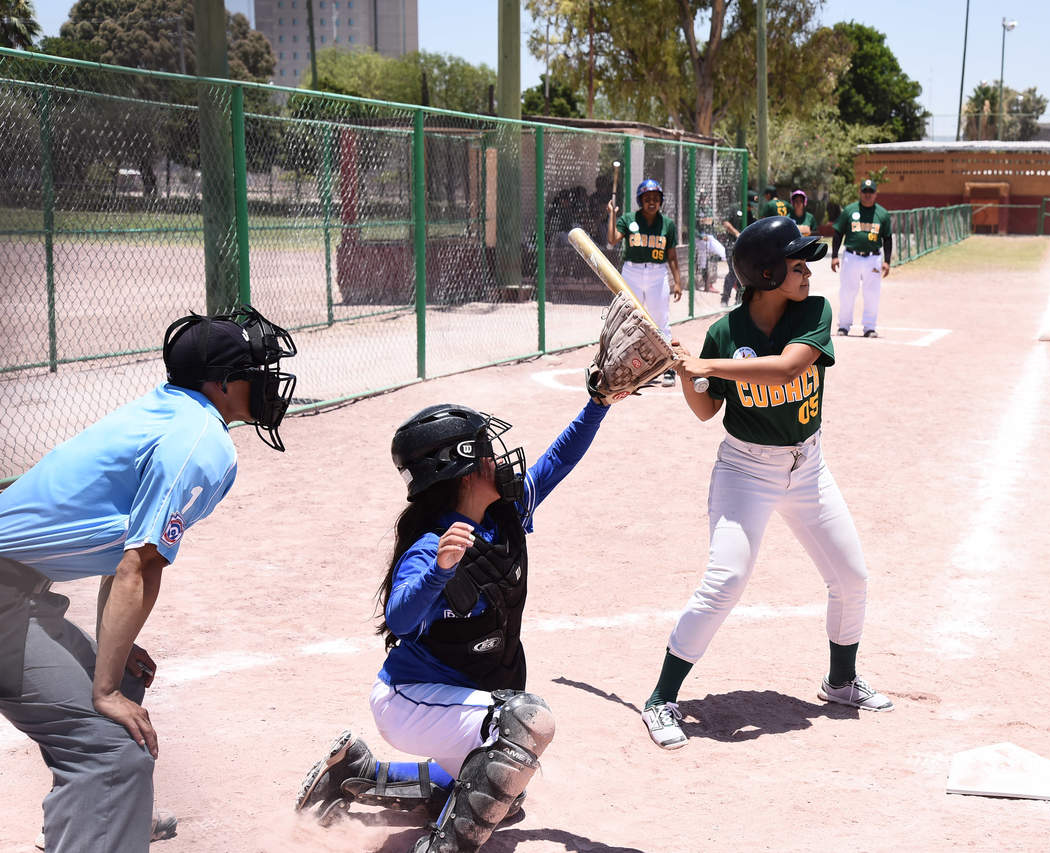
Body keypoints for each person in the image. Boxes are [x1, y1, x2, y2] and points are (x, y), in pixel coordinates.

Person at [0, 306, 297, 853]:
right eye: (258, 371)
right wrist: (103, 689)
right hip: (5, 599)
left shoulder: (167, 411)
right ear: (223, 383)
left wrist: (116, 663)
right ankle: (99, 812)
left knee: (124, 678)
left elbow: (124, 557)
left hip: (18, 591)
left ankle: (99, 818)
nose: (269, 382)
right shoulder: (200, 441)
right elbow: (139, 565)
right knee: (114, 747)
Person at [295, 396, 611, 852]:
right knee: (525, 724)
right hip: (410, 701)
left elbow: (558, 459)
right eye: (487, 451)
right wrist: (441, 569)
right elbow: (400, 620)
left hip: (454, 703)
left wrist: (599, 402)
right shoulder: (430, 546)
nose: (499, 459)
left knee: (504, 791)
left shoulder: (506, 515)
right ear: (462, 470)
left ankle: (356, 774)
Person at [639, 216, 893, 751]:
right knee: (726, 579)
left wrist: (705, 362)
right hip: (745, 471)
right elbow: (707, 410)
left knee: (851, 577)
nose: (808, 273)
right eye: (796, 265)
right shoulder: (726, 333)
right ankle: (662, 698)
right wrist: (689, 376)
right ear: (766, 272)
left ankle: (840, 682)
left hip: (808, 467)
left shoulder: (814, 313)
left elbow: (784, 369)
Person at [606, 178, 683, 386]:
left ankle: (668, 368)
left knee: (660, 320)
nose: (652, 202)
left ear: (660, 201)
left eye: (656, 198)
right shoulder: (629, 219)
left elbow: (673, 256)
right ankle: (630, 367)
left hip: (658, 274)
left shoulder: (667, 224)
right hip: (632, 271)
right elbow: (612, 239)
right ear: (640, 200)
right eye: (647, 198)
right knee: (630, 319)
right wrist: (612, 214)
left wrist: (677, 281)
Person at [831, 178, 893, 338]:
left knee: (872, 293)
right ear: (860, 192)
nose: (867, 195)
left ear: (875, 194)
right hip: (851, 256)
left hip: (873, 258)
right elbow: (838, 232)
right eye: (864, 191)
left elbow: (887, 238)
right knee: (847, 292)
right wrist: (834, 256)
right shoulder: (850, 211)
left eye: (870, 192)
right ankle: (844, 326)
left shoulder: (882, 214)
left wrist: (887, 261)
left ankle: (869, 327)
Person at [720, 193, 758, 308]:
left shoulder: (751, 213)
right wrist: (736, 233)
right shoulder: (734, 208)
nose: (751, 207)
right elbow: (725, 223)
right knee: (733, 271)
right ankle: (725, 298)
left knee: (744, 271)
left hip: (745, 246)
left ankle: (739, 300)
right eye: (749, 205)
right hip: (731, 244)